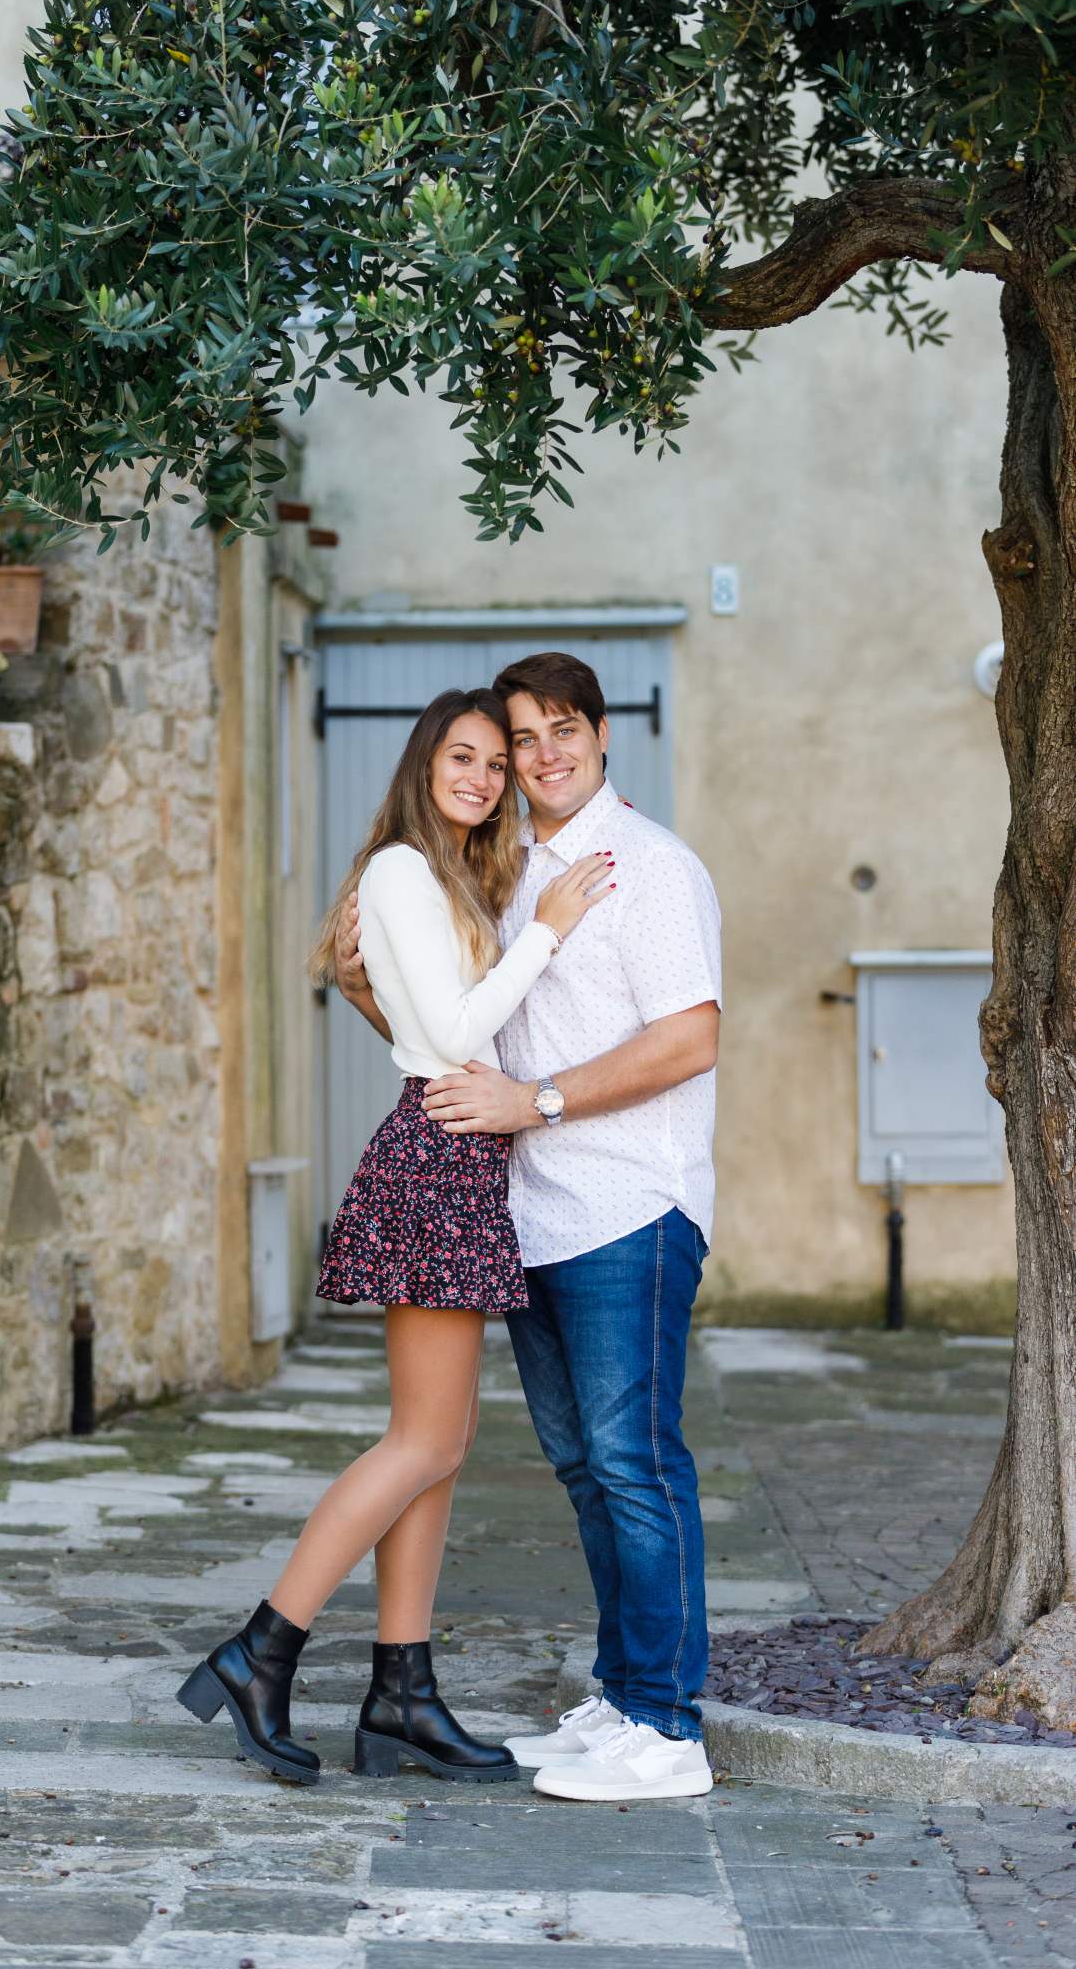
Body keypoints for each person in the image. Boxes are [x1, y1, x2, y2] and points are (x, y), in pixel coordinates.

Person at [178, 687, 614, 1786]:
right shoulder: (401, 871)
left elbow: (423, 1026)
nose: (482, 777)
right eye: (461, 756)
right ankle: (259, 1650)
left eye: (494, 765)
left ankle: (402, 1696)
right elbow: (458, 1034)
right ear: (424, 764)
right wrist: (550, 931)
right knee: (419, 1441)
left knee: (443, 1442)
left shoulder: (448, 876)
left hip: (461, 1154)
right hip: (436, 1158)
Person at [334, 652, 721, 1803]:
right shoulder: (506, 875)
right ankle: (622, 1695)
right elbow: (464, 1046)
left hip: (629, 1205)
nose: (541, 755)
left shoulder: (647, 866)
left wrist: (538, 1102)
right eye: (520, 740)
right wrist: (368, 990)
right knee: (584, 1466)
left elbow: (688, 1039)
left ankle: (668, 1726)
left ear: (601, 735)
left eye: (562, 730)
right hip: (532, 1214)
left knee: (635, 1460)